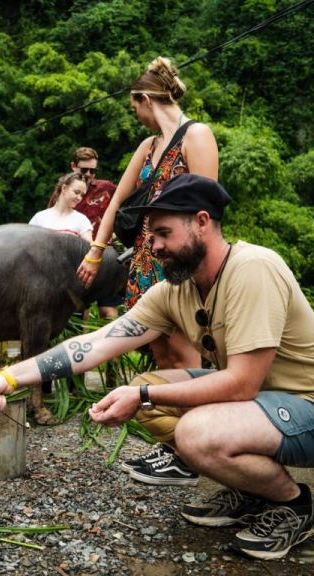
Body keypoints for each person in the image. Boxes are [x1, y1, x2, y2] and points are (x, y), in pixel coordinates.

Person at [0, 174, 314, 560]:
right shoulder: (176, 291)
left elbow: (241, 385)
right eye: (151, 236)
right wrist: (7, 378)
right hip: (265, 403)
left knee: (192, 431)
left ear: (202, 222)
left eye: (163, 233)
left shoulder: (253, 269)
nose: (154, 247)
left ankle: (293, 506)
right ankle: (251, 491)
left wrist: (140, 395)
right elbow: (93, 344)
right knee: (153, 386)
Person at [77, 57, 219, 368]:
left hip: (181, 263)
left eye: (135, 108)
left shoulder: (196, 136)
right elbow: (116, 202)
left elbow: (208, 209)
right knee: (160, 351)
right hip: (145, 261)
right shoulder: (148, 147)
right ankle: (168, 412)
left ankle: (193, 412)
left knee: (185, 350)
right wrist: (96, 251)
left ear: (145, 99)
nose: (137, 116)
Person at [47, 147, 119, 318]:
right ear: (73, 166)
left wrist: (117, 232)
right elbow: (51, 221)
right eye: (84, 170)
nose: (88, 174)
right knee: (78, 311)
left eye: (93, 170)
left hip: (105, 255)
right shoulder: (62, 193)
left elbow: (125, 207)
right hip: (76, 258)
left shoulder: (107, 188)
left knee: (108, 311)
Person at [30, 172, 92, 240]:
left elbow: (89, 248)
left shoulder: (82, 220)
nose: (79, 198)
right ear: (64, 188)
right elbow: (27, 244)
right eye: (76, 192)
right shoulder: (40, 217)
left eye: (82, 195)